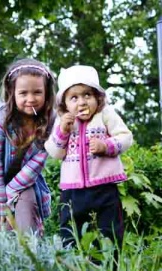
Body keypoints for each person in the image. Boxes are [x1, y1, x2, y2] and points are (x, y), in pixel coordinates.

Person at [44, 65, 133, 251]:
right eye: (74, 98)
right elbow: (55, 152)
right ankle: (73, 263)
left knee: (109, 232)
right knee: (70, 232)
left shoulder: (105, 114)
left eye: (87, 95)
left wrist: (106, 146)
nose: (82, 102)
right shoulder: (63, 122)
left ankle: (108, 264)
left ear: (98, 98)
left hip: (105, 188)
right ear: (65, 104)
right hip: (72, 191)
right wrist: (62, 132)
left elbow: (126, 137)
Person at [0, 58, 56, 236]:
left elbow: (37, 163)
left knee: (28, 208)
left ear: (47, 93)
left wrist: (11, 191)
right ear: (12, 92)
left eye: (37, 92)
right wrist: (0, 197)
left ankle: (33, 251)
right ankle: (4, 255)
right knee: (2, 225)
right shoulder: (0, 118)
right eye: (23, 93)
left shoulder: (50, 121)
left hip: (24, 177)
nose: (30, 99)